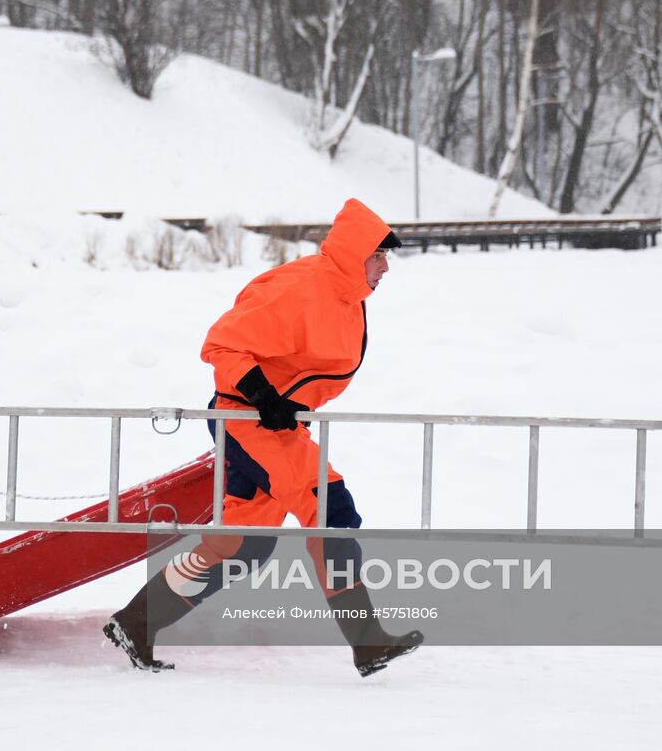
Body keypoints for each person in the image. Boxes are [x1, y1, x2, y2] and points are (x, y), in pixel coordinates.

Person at [105, 198, 423, 675]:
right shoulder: (303, 289)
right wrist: (263, 396)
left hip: (275, 422)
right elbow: (221, 342)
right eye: (379, 256)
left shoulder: (346, 294)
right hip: (248, 419)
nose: (386, 267)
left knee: (244, 545)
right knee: (330, 506)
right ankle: (367, 639)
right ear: (356, 254)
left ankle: (136, 623)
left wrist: (283, 404)